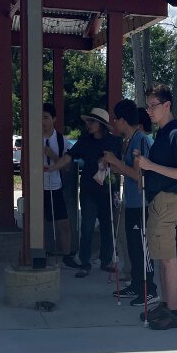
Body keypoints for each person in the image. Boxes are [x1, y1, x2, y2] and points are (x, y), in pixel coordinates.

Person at [135, 84, 177, 330]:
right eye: (147, 106)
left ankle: (174, 310)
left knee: (167, 257)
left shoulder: (175, 134)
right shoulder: (162, 133)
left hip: (167, 201)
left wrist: (150, 166)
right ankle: (167, 304)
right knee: (161, 254)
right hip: (158, 200)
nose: (149, 111)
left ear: (166, 105)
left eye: (153, 106)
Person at [47, 107, 122, 278]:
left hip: (108, 190)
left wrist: (117, 186)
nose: (88, 124)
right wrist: (53, 167)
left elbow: (120, 166)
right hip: (89, 191)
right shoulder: (84, 141)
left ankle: (106, 261)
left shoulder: (114, 142)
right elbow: (69, 156)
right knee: (87, 228)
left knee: (107, 227)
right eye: (87, 121)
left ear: (101, 124)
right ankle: (85, 262)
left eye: (92, 121)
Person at [103, 99, 159, 306]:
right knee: (133, 246)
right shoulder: (131, 140)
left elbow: (139, 175)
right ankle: (137, 284)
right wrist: (113, 165)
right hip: (132, 202)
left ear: (123, 120)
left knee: (142, 248)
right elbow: (128, 170)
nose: (114, 123)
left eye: (115, 119)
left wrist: (116, 163)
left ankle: (149, 288)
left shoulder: (140, 140)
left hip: (142, 203)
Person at [41, 102, 79, 269]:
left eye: (46, 118)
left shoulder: (61, 140)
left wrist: (54, 156)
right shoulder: (34, 138)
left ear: (54, 119)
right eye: (40, 118)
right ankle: (40, 253)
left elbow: (67, 166)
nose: (43, 121)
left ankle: (66, 256)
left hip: (55, 186)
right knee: (39, 223)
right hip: (38, 187)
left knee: (63, 223)